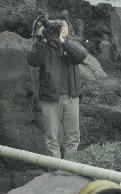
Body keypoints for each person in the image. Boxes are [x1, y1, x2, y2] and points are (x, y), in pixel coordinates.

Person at [27, 16, 87, 164]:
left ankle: (69, 172)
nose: (60, 29)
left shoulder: (72, 43)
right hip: (50, 98)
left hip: (71, 97)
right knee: (52, 137)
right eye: (57, 27)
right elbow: (33, 61)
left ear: (68, 29)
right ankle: (54, 173)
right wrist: (42, 39)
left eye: (63, 26)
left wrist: (64, 41)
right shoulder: (44, 45)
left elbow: (81, 56)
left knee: (72, 137)